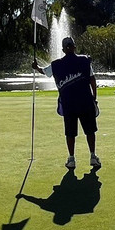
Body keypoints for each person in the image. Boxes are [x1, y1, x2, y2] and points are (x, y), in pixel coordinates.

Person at [34, 36, 101, 170]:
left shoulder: (56, 64)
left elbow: (45, 71)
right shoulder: (84, 61)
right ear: (74, 47)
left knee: (71, 132)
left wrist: (36, 68)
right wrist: (94, 97)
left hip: (69, 103)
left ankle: (72, 159)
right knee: (89, 131)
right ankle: (92, 157)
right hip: (85, 101)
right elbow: (92, 80)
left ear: (63, 49)